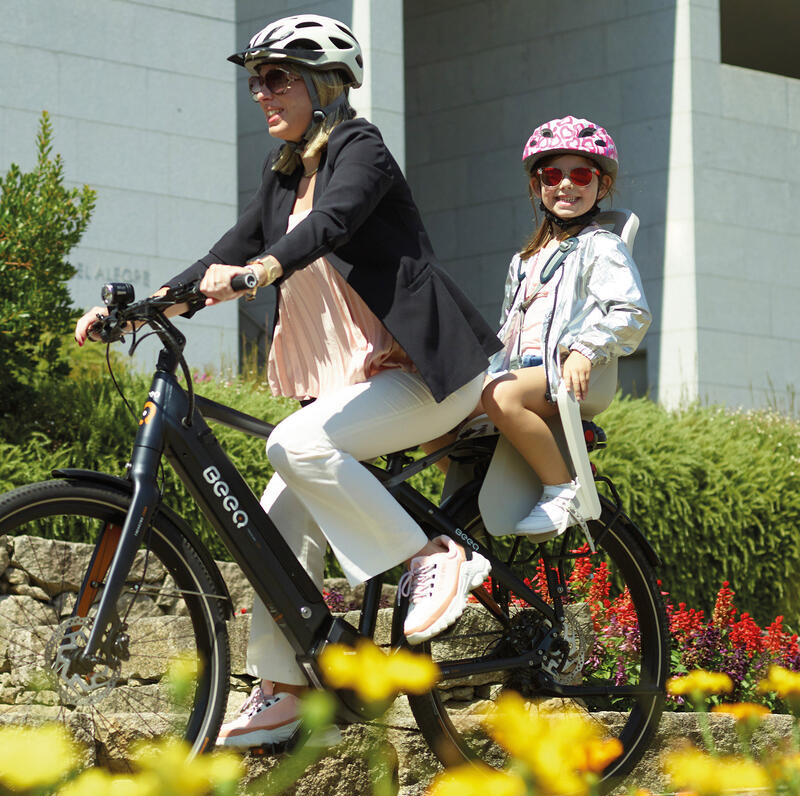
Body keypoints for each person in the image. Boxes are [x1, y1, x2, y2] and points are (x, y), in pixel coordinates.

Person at [75, 13, 499, 749]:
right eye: (254, 81)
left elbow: (332, 223)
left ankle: (434, 558)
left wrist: (271, 266)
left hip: (426, 373)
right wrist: (140, 311)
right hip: (357, 388)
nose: (259, 93)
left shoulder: (358, 148)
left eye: (275, 78)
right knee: (273, 522)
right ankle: (285, 689)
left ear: (321, 84)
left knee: (295, 445)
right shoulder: (281, 178)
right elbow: (226, 253)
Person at [480, 115, 651, 537]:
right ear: (538, 185)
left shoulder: (601, 246)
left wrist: (585, 349)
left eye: (581, 174)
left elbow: (630, 311)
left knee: (498, 395)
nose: (566, 185)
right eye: (553, 174)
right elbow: (507, 328)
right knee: (440, 404)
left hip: (570, 374)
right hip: (521, 371)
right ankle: (468, 500)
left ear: (601, 185)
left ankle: (562, 489)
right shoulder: (523, 261)